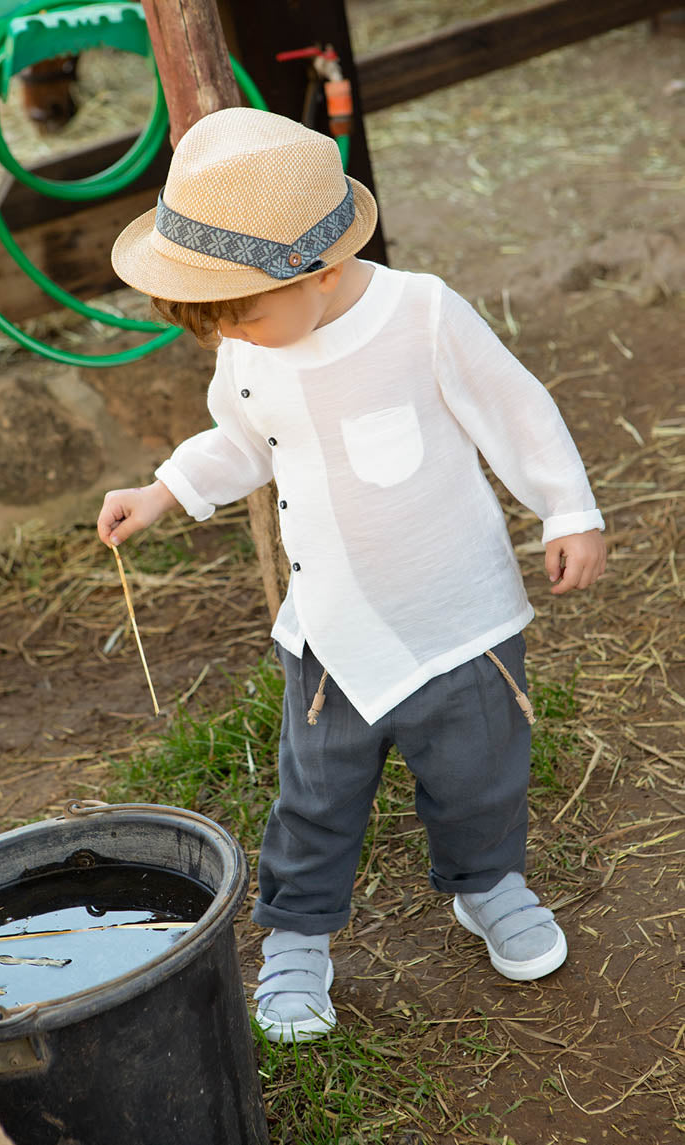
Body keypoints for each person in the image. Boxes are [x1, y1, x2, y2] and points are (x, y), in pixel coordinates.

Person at [97, 107, 607, 1043]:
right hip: (334, 630)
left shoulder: (420, 314)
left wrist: (567, 508)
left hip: (460, 615)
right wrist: (166, 487)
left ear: (320, 270)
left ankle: (487, 881)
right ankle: (297, 936)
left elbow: (515, 408)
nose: (227, 340)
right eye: (213, 323)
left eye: (239, 313)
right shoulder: (252, 347)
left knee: (479, 769)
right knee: (316, 795)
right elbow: (242, 441)